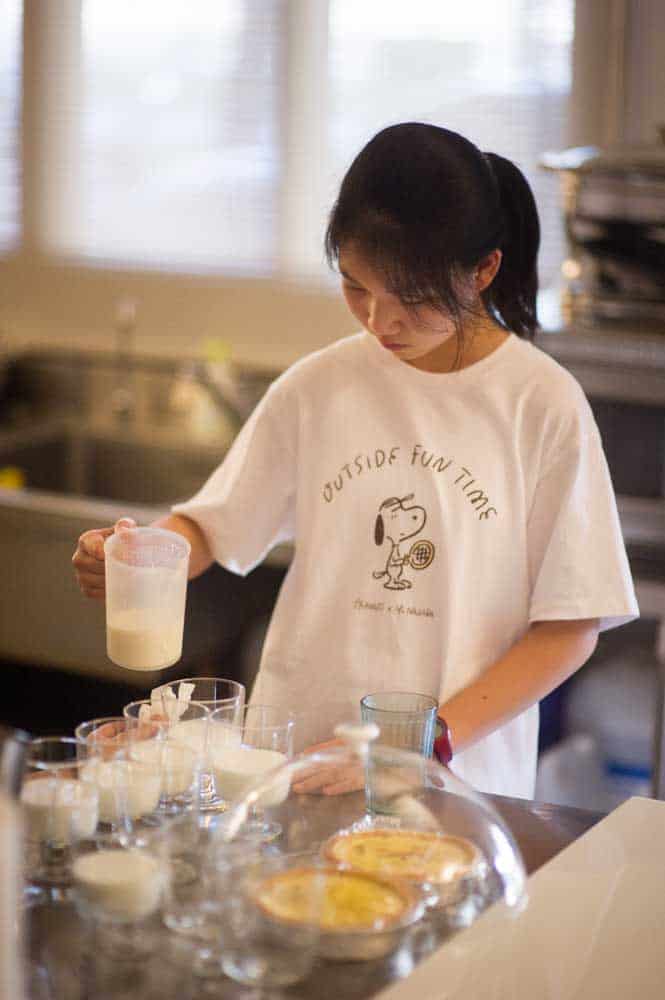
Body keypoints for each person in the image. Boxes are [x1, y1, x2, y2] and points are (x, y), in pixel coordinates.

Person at [72, 122, 638, 800]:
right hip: (298, 762)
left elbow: (570, 628)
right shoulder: (319, 386)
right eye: (355, 286)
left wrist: (418, 744)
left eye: (413, 299)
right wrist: (142, 554)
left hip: (453, 778)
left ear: (483, 270)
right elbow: (211, 527)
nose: (378, 321)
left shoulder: (541, 404)